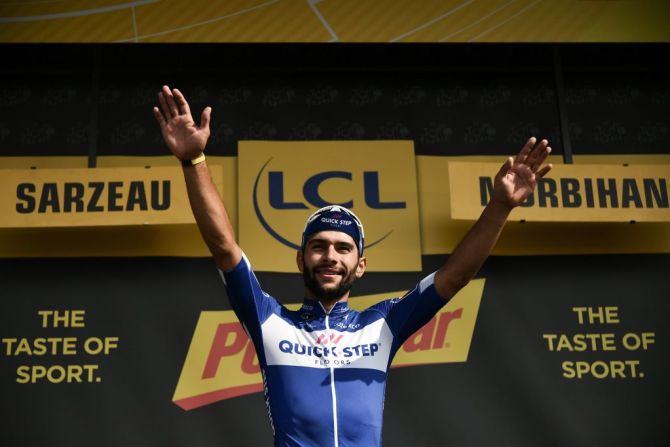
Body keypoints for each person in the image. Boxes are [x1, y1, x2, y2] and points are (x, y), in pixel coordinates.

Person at [153, 85, 552, 447]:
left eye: (343, 249)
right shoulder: (269, 319)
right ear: (300, 258)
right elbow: (225, 249)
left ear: (360, 265)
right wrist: (194, 161)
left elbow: (455, 276)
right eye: (319, 246)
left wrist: (500, 205)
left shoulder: (383, 324)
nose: (330, 256)